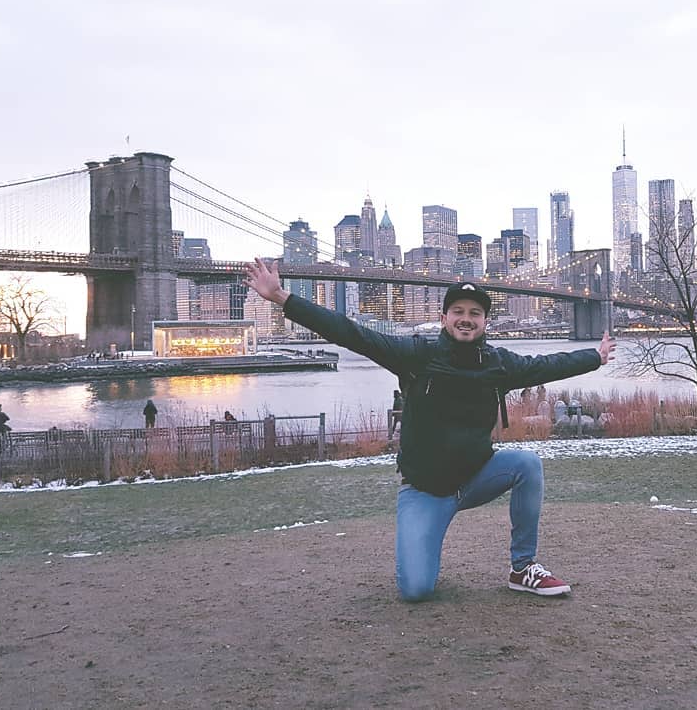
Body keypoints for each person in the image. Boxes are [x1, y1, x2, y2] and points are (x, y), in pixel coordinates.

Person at [246, 258, 616, 602]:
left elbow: (546, 365)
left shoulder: (499, 364)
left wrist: (593, 358)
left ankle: (522, 568)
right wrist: (281, 297)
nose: (466, 319)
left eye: (475, 313)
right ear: (444, 318)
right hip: (425, 492)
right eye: (458, 312)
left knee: (527, 464)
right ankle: (423, 546)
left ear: (485, 322)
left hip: (476, 478)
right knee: (416, 590)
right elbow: (350, 334)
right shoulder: (415, 355)